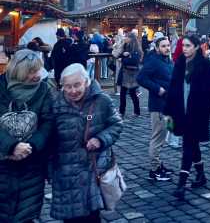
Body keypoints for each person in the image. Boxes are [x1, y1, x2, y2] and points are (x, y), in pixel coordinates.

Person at [51, 64, 123, 223]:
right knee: (70, 218)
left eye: (77, 85)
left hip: (92, 169)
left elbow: (116, 124)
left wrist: (100, 139)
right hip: (65, 174)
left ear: (86, 82)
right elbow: (49, 136)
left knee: (91, 217)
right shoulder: (56, 104)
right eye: (67, 86)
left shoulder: (102, 100)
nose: (72, 91)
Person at [0, 49, 53, 223]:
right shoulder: (1, 88)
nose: (37, 75)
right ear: (20, 71)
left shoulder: (44, 90)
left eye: (38, 69)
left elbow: (48, 122)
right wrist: (11, 146)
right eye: (31, 71)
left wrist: (31, 146)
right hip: (3, 162)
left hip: (32, 163)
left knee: (26, 214)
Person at [165, 34, 210, 200]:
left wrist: (206, 109)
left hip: (197, 114)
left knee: (188, 146)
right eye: (183, 46)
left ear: (196, 47)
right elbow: (173, 89)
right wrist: (168, 112)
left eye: (188, 46)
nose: (185, 49)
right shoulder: (179, 63)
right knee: (192, 146)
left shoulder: (206, 65)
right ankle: (201, 175)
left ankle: (181, 184)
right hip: (181, 112)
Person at [137, 37, 174, 181]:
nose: (167, 48)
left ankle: (159, 164)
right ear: (157, 48)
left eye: (168, 45)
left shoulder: (168, 60)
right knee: (157, 138)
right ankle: (155, 170)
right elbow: (141, 78)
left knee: (165, 135)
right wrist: (157, 88)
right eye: (163, 46)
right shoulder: (153, 61)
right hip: (158, 106)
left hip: (169, 105)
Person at [117, 33, 143, 118]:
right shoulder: (125, 46)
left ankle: (137, 111)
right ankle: (121, 111)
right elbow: (117, 55)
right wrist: (123, 54)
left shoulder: (136, 49)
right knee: (122, 93)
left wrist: (124, 59)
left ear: (131, 39)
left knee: (133, 93)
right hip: (125, 72)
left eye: (127, 37)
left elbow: (135, 61)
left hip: (132, 73)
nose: (125, 38)